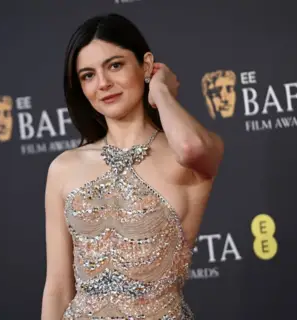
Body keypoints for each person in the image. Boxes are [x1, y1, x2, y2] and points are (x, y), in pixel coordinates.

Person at [41, 13, 224, 320]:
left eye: (115, 65)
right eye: (88, 75)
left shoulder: (189, 155)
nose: (103, 84)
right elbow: (58, 287)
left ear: (146, 64)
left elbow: (192, 148)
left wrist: (162, 90)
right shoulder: (64, 168)